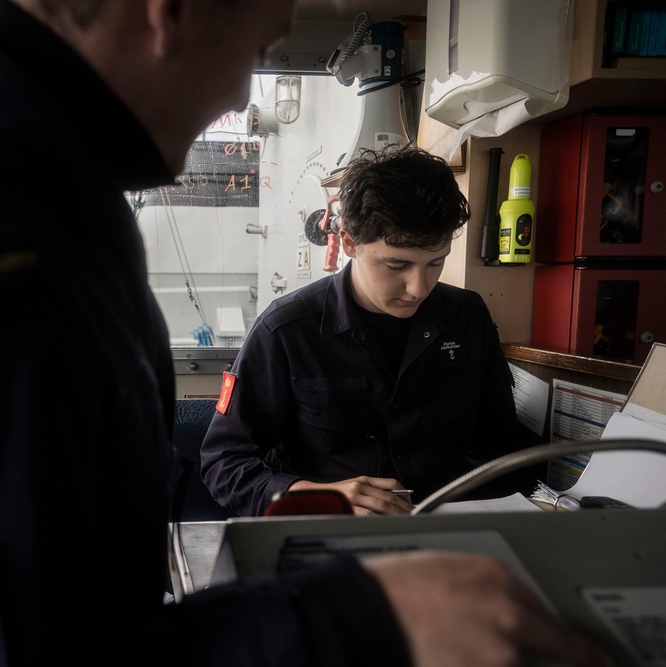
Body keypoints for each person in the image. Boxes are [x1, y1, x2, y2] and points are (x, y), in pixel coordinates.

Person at [0, 2, 610, 666]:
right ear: (167, 10)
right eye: (258, 49)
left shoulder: (52, 206)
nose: (240, 90)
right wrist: (359, 614)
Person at [201, 145, 533, 517]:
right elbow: (223, 464)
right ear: (348, 243)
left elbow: (502, 446)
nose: (419, 288)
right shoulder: (285, 331)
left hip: (445, 537)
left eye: (435, 263)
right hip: (328, 539)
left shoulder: (467, 318)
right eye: (397, 265)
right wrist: (314, 498)